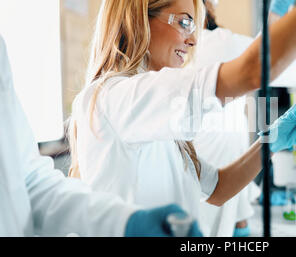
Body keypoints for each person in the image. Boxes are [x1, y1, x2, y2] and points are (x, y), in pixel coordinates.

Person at [68, 0, 296, 235]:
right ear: (140, 18)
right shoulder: (118, 96)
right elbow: (251, 71)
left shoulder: (154, 111)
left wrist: (270, 142)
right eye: (184, 23)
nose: (194, 39)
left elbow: (217, 188)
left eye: (195, 27)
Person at [0, 34, 200, 237]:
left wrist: (126, 223)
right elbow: (206, 91)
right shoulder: (113, 96)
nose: (193, 40)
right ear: (142, 26)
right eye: (184, 22)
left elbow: (30, 184)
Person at [192, 0, 296, 237]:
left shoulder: (211, 46)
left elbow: (263, 50)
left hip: (219, 185)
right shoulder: (215, 44)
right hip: (208, 192)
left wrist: (241, 220)